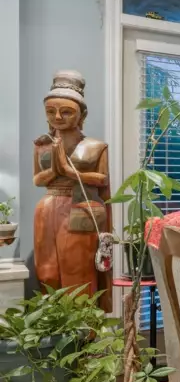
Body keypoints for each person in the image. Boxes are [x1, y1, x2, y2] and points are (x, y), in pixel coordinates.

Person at [32, 71, 112, 309]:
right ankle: (56, 326)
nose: (57, 117)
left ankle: (83, 334)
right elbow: (37, 179)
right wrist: (55, 169)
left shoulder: (95, 146)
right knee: (47, 271)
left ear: (81, 115)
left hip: (80, 207)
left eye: (66, 111)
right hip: (47, 208)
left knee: (77, 270)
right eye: (51, 111)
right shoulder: (41, 145)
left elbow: (102, 179)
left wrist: (67, 170)